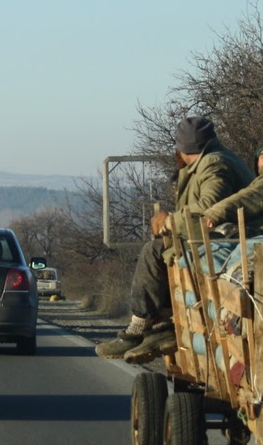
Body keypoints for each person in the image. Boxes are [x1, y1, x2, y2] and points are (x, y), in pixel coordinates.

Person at [96, 117, 253, 362]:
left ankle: (139, 326)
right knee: (164, 252)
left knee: (153, 252)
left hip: (221, 241)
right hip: (218, 237)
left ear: (182, 148)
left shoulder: (214, 165)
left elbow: (209, 208)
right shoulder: (217, 159)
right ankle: (163, 325)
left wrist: (170, 221)